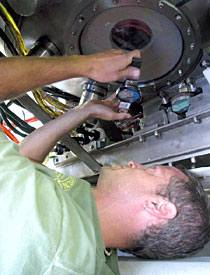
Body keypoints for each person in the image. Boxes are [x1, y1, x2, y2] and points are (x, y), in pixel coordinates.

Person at [0, 49, 209, 275]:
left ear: (157, 206)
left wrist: (83, 66)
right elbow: (24, 161)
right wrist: (84, 111)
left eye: (149, 171)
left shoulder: (46, 230)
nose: (133, 164)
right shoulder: (88, 230)